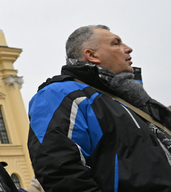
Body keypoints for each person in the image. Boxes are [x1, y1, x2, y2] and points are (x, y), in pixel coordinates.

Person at [28, 25, 171, 191]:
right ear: (92, 55)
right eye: (116, 43)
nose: (128, 49)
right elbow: (60, 172)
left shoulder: (132, 100)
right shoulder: (61, 94)